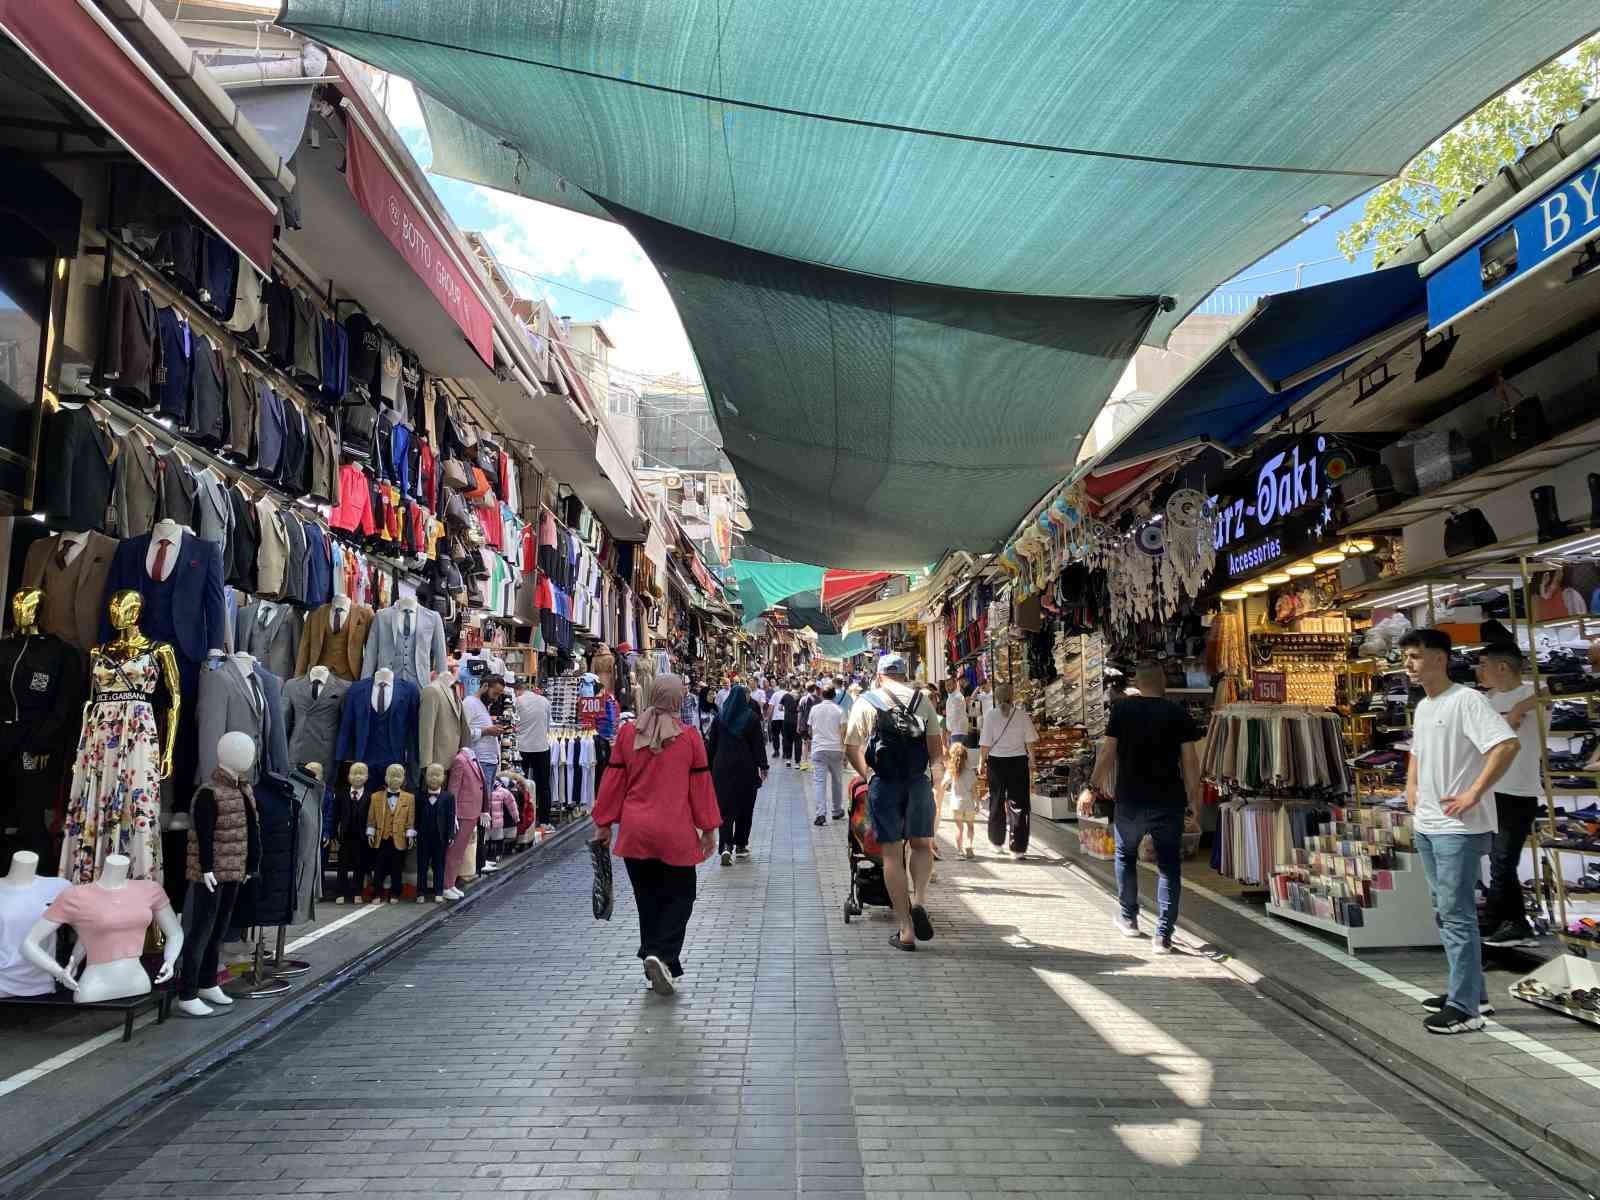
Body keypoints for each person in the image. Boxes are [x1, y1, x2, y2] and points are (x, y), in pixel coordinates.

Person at [1399, 628, 1519, 1033]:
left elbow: (1505, 745)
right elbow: (1417, 751)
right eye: (1406, 657)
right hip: (1430, 824)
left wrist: (1474, 793)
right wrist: (1412, 786)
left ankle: (1465, 1007)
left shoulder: (1467, 701)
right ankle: (1471, 992)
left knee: (1457, 914)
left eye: (1415, 656)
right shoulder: (1425, 706)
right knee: (1445, 911)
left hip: (1459, 828)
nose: (1409, 665)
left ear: (1440, 658)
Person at [591, 673, 721, 996]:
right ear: (677, 699)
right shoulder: (689, 738)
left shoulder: (625, 735)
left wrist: (604, 822)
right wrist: (708, 829)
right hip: (674, 831)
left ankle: (656, 960)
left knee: (647, 899)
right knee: (681, 896)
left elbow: (614, 782)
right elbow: (700, 786)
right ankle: (662, 954)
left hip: (636, 832)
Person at [1081, 661, 1202, 953]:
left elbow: (1108, 753)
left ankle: (1129, 918)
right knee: (1168, 866)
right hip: (1168, 799)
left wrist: (1092, 789)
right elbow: (1190, 762)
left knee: (1125, 856)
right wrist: (1193, 801)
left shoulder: (1122, 711)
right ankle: (1163, 935)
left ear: (1137, 683)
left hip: (1131, 799)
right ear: (1162, 682)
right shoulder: (1177, 713)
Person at [844, 653, 944, 952]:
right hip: (917, 782)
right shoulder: (922, 701)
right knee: (922, 844)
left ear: (879, 675)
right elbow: (936, 752)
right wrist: (935, 780)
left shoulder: (867, 701)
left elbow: (850, 748)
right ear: (905, 674)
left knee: (891, 854)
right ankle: (920, 901)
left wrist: (869, 775)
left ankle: (906, 929)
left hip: (885, 784)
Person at [1474, 644, 1543, 949]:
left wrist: (1519, 709)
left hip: (1519, 790)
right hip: (1492, 789)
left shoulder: (1533, 692)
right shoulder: (1487, 699)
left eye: (1484, 664)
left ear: (1502, 666)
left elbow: (1551, 692)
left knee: (1503, 858)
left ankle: (1494, 921)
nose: (1480, 671)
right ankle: (1513, 923)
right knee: (1499, 859)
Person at [707, 683, 768, 863]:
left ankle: (726, 845)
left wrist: (709, 768)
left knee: (725, 808)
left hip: (722, 768)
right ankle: (741, 845)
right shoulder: (752, 718)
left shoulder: (719, 718)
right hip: (745, 768)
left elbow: (712, 746)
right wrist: (763, 766)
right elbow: (758, 745)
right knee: (745, 807)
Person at [980, 683, 1039, 858]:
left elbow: (985, 744)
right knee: (1019, 804)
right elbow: (1030, 741)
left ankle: (996, 842)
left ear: (996, 697)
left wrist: (981, 762)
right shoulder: (1021, 715)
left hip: (996, 764)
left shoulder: (990, 716)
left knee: (996, 802)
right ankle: (1018, 848)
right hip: (1018, 763)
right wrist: (1032, 761)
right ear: (1012, 696)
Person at [513, 680, 552, 824]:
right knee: (543, 785)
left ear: (517, 690)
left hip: (522, 748)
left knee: (519, 784)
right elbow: (547, 726)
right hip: (541, 746)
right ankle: (545, 821)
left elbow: (514, 724)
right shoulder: (544, 701)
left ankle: (520, 820)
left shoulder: (517, 701)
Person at [808, 685, 847, 825]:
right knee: (837, 781)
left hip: (819, 749)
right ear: (834, 696)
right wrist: (845, 752)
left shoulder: (814, 709)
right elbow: (843, 732)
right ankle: (836, 810)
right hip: (836, 749)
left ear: (821, 695)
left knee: (819, 782)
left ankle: (820, 814)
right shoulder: (839, 710)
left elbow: (811, 730)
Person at [943, 740, 979, 858]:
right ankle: (969, 844)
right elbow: (974, 791)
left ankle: (959, 851)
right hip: (968, 804)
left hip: (955, 804)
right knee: (970, 826)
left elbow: (943, 784)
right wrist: (977, 803)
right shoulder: (970, 773)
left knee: (959, 828)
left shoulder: (951, 771)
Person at [943, 677, 970, 752]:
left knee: (956, 759)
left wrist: (948, 730)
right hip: (957, 731)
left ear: (955, 684)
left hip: (957, 732)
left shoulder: (956, 697)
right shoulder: (952, 697)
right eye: (946, 685)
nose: (947, 687)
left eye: (949, 685)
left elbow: (953, 717)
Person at [779, 682, 802, 767]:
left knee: (787, 739)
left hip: (787, 720)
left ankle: (788, 760)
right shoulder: (801, 697)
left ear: (791, 686)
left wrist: (786, 709)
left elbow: (780, 708)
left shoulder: (785, 696)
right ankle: (797, 763)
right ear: (799, 687)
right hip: (797, 721)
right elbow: (800, 709)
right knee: (798, 741)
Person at [796, 683, 819, 772]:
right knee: (814, 744)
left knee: (804, 743)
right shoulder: (819, 700)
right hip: (815, 725)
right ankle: (813, 764)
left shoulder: (802, 699)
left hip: (804, 724)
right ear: (815, 689)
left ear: (806, 688)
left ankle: (805, 763)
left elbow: (800, 713)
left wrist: (798, 725)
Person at [766, 680, 788, 760]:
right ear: (786, 686)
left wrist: (768, 718)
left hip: (775, 718)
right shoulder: (788, 695)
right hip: (785, 718)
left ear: (779, 686)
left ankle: (776, 751)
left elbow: (771, 707)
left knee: (775, 736)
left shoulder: (775, 694)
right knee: (785, 736)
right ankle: (785, 753)